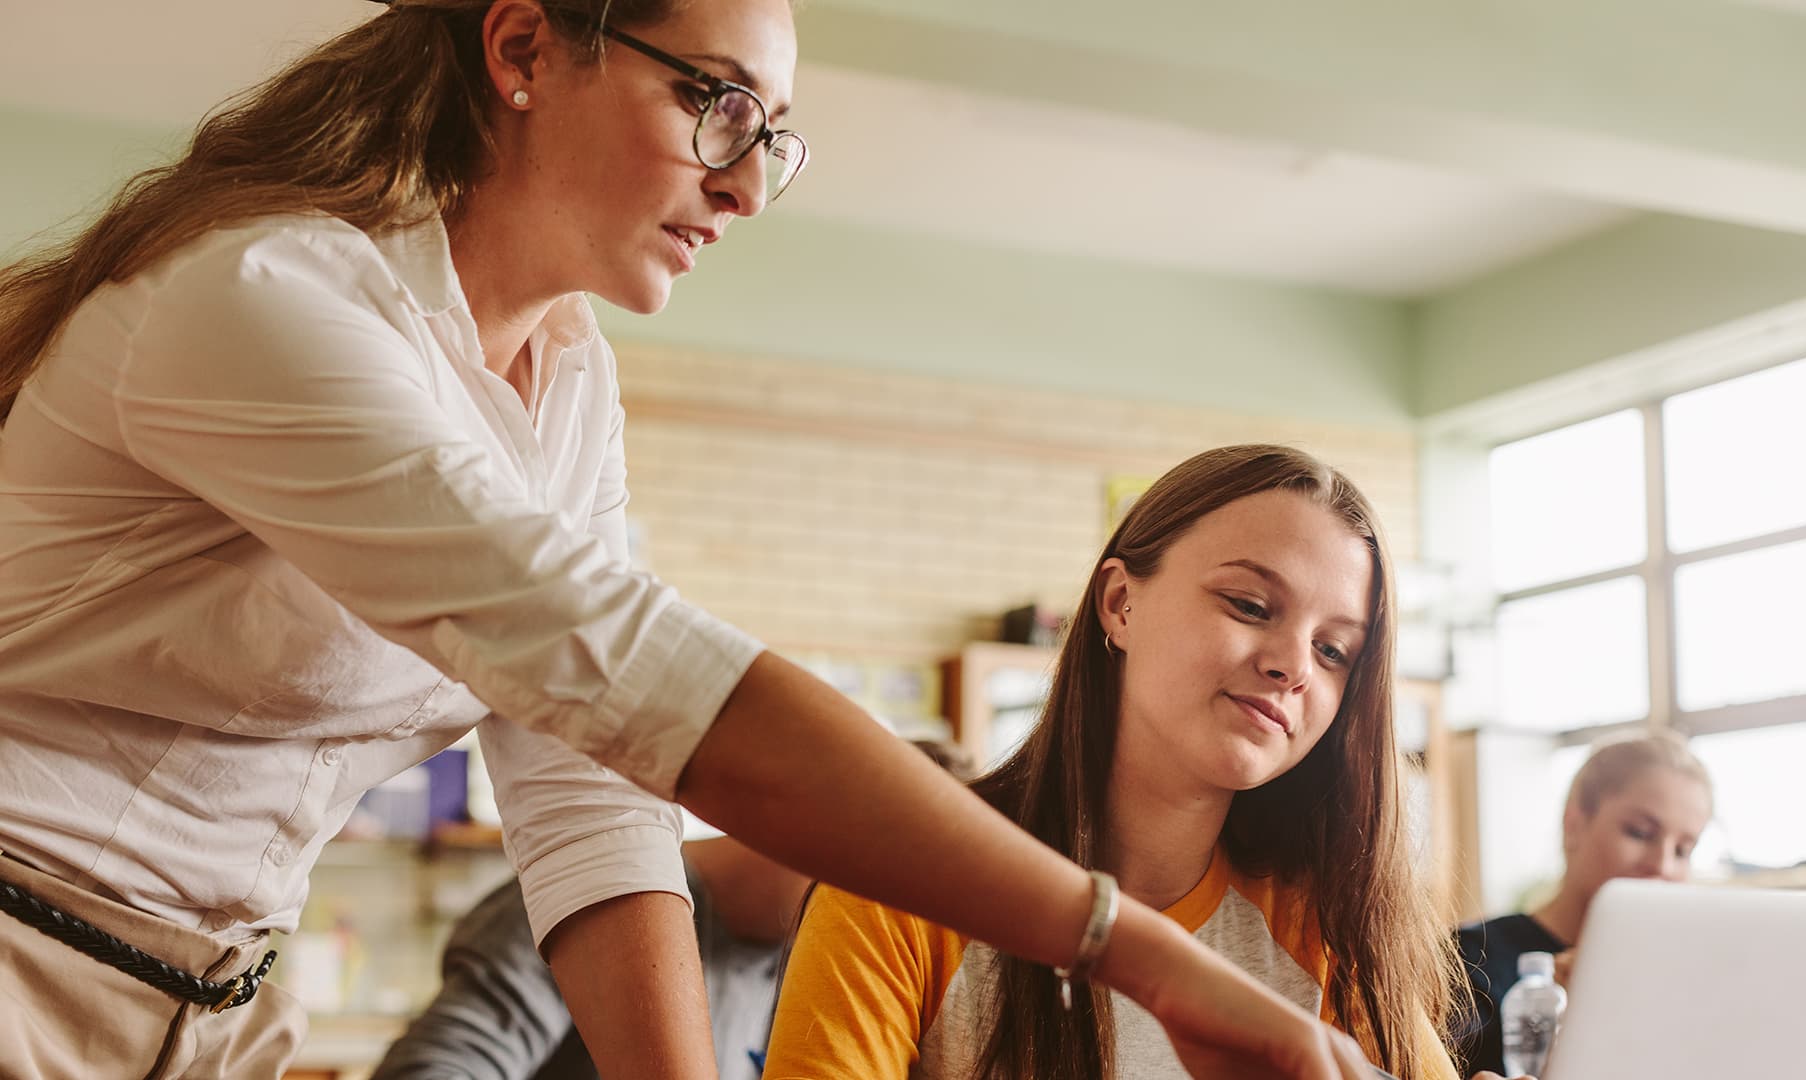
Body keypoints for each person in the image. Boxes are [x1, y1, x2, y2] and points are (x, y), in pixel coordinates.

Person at [0, 3, 1365, 1078]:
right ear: (525, 45)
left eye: (772, 132)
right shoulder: (265, 299)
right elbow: (641, 678)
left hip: (220, 1003)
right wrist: (1140, 955)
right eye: (715, 105)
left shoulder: (565, 379)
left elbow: (592, 784)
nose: (750, 186)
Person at [763, 445, 1507, 1080]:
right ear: (1121, 603)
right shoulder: (898, 893)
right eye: (1250, 605)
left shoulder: (1319, 930)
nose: (1293, 667)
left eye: (1334, 650)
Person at [371, 739, 977, 1080]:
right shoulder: (599, 891)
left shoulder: (790, 961)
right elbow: (431, 1073)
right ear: (823, 834)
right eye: (887, 896)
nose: (882, 934)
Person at [1452, 731, 1714, 1077]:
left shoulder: (1683, 983)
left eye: (1683, 850)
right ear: (1574, 826)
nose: (1663, 866)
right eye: (1639, 832)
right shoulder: (1469, 962)